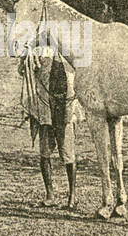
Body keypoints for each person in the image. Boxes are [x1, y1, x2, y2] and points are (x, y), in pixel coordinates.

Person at [18, 36, 83, 208]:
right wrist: (26, 56)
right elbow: (23, 69)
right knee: (45, 152)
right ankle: (50, 194)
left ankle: (72, 195)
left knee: (68, 153)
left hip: (65, 109)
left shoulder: (72, 49)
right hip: (45, 109)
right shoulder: (38, 49)